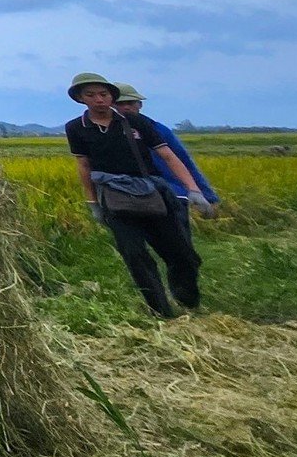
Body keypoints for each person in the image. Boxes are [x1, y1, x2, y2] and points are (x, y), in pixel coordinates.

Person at [64, 72, 210, 318]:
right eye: (90, 95)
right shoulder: (76, 128)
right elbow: (84, 166)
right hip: (114, 199)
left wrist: (193, 190)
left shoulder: (136, 123)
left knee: (182, 254)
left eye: (103, 94)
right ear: (80, 99)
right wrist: (93, 203)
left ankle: (187, 299)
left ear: (112, 96)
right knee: (135, 256)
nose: (99, 100)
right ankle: (161, 311)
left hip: (150, 192)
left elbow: (167, 155)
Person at [113, 83, 220, 218]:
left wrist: (206, 196)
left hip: (171, 192)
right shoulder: (104, 133)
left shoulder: (159, 130)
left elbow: (184, 161)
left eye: (130, 102)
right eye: (119, 103)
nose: (125, 107)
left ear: (139, 105)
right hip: (129, 194)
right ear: (111, 106)